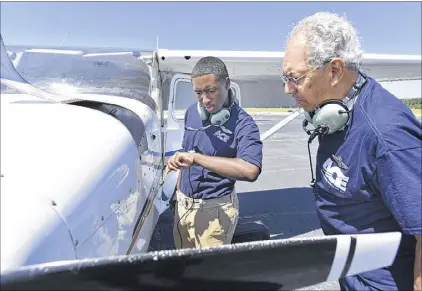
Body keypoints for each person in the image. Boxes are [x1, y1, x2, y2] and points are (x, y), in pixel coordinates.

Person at [281, 12, 421, 291]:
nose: (287, 89)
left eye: (294, 78)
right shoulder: (336, 110)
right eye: (284, 77)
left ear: (334, 71)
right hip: (354, 273)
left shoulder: (386, 134)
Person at [167, 56, 263, 249]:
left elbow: (250, 170)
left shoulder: (244, 124)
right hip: (183, 205)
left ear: (227, 84)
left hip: (215, 212)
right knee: (184, 265)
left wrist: (197, 159)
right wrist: (177, 190)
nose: (205, 100)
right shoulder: (191, 113)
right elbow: (187, 151)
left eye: (211, 91)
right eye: (198, 93)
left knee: (208, 274)